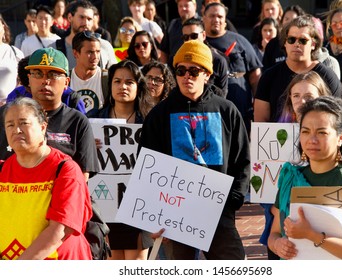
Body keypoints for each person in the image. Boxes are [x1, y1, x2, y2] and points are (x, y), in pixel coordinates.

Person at [140, 40, 250, 260]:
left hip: (219, 211)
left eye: (193, 71)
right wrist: (155, 215)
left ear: (207, 74)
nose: (186, 76)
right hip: (175, 213)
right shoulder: (159, 115)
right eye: (180, 70)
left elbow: (242, 159)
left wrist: (233, 200)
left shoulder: (227, 110)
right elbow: (146, 165)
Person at [268, 96, 342, 260]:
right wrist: (278, 244)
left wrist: (312, 235)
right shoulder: (291, 178)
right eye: (305, 131)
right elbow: (274, 233)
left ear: (340, 138)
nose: (312, 140)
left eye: (322, 132)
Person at [0, 97, 92, 260]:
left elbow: (59, 231)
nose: (17, 130)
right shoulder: (2, 170)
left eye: (24, 123)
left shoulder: (66, 170)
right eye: (10, 125)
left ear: (43, 127)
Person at [0, 47, 99, 181]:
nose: (45, 80)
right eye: (38, 73)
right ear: (29, 79)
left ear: (66, 82)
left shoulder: (77, 121)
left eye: (53, 74)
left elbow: (81, 178)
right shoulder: (5, 115)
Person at [92, 60, 153, 260]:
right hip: (106, 207)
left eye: (129, 82)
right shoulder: (94, 120)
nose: (123, 86)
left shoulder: (151, 120)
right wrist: (90, 145)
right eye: (117, 81)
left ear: (138, 86)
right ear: (110, 86)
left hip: (140, 204)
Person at [254, 15, 342, 123]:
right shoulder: (269, 77)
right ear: (285, 43)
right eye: (291, 39)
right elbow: (261, 123)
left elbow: (338, 119)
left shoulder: (327, 76)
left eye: (303, 40)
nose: (296, 44)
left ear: (313, 44)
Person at [204, 2, 262, 133]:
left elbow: (255, 75)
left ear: (225, 20)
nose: (216, 20)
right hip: (208, 110)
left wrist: (257, 104)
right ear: (204, 18)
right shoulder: (199, 43)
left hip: (241, 108)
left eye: (220, 16)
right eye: (212, 16)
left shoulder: (240, 40)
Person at [6, 56, 86, 114]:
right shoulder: (15, 96)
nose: (43, 83)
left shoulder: (72, 99)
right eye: (37, 75)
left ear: (66, 82)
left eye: (52, 75)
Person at [50, 0, 116, 70]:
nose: (86, 23)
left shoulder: (104, 46)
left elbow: (115, 75)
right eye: (81, 17)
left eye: (89, 19)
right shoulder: (55, 49)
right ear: (70, 17)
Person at [182, 17, 228, 97]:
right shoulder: (178, 59)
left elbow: (222, 95)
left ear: (203, 35)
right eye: (185, 37)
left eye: (194, 36)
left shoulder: (218, 60)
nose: (190, 40)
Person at [70, 30, 107, 117]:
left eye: (98, 52)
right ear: (75, 53)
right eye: (90, 52)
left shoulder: (107, 79)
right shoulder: (65, 79)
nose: (95, 57)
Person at [261, 5, 306, 71]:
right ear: (282, 22)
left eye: (293, 20)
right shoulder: (273, 44)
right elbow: (265, 71)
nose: (289, 22)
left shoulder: (305, 43)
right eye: (286, 19)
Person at [159, 0, 199, 66]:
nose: (183, 8)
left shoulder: (203, 24)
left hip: (196, 70)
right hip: (174, 71)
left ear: (195, 6)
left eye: (186, 5)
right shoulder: (172, 24)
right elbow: (164, 50)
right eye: (180, 6)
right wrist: (164, 69)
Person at [0, 14, 24, 105]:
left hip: (10, 106)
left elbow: (23, 81)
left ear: (3, 25)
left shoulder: (15, 52)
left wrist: (10, 100)